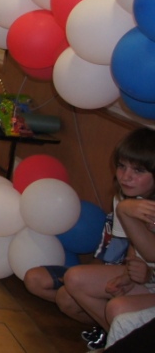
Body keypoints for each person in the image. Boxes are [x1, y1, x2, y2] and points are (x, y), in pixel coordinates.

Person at [62, 127, 155, 349]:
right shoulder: (125, 197)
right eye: (122, 166)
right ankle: (116, 340)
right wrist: (128, 275)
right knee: (73, 280)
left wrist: (124, 211)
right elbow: (135, 247)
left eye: (138, 170)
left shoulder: (127, 205)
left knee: (117, 308)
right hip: (150, 278)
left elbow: (152, 253)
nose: (126, 176)